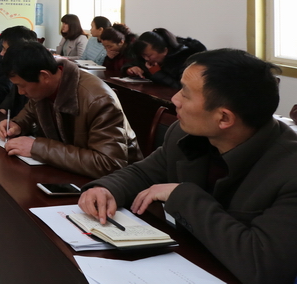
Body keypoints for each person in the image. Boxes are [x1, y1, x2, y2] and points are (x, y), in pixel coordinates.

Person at [78, 49, 297, 284]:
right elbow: (143, 172)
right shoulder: (186, 134)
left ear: (224, 118)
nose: (175, 99)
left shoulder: (289, 170)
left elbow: (265, 266)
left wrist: (182, 196)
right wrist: (106, 188)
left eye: (185, 93)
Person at [0, 41, 142, 178]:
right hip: (71, 173)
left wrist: (38, 148)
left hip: (117, 184)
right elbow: (30, 112)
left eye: (21, 85)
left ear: (44, 76)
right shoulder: (44, 88)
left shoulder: (98, 100)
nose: (20, 92)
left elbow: (109, 164)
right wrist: (17, 124)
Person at [124, 28, 206, 87]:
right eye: (143, 55)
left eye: (149, 56)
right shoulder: (147, 57)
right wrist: (130, 69)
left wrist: (157, 73)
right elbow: (134, 63)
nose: (146, 59)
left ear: (164, 51)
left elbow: (182, 87)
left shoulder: (184, 59)